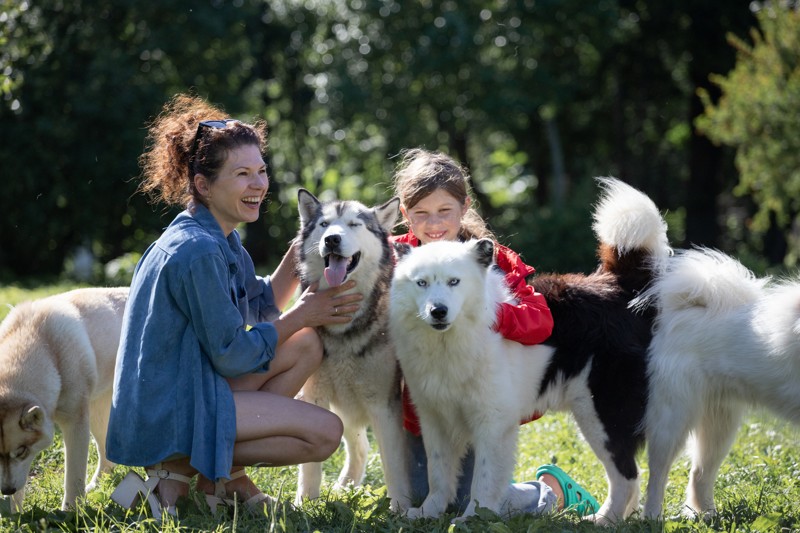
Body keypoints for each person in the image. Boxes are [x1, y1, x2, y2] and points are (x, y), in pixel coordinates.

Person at [106, 94, 359, 519]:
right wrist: (305, 313)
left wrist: (301, 253)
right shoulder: (198, 251)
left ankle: (218, 480)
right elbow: (232, 355)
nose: (258, 184)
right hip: (169, 412)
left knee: (305, 345)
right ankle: (171, 474)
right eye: (242, 174)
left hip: (195, 387)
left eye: (261, 171)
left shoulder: (218, 236)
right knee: (325, 434)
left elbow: (260, 306)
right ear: (203, 185)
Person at [389, 147, 599, 517]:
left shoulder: (488, 257)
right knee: (428, 496)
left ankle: (549, 492)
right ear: (405, 215)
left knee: (482, 501)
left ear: (464, 208)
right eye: (421, 213)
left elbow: (540, 322)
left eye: (444, 212)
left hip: (478, 402)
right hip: (424, 407)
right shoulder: (396, 258)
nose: (434, 224)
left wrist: (489, 313)